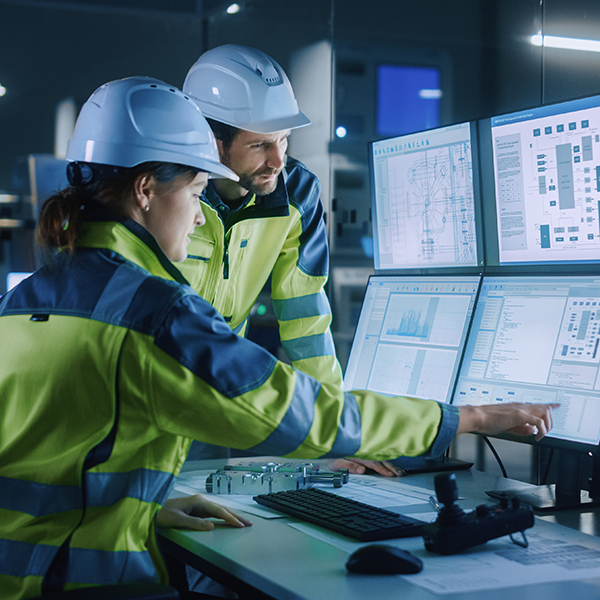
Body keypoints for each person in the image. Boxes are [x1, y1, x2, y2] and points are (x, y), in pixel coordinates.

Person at [0, 75, 558, 599]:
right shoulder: (153, 313)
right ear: (146, 190)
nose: (198, 218)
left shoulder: (22, 301)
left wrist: (140, 507)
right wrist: (467, 419)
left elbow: (49, 458)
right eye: (196, 193)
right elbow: (300, 414)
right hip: (82, 581)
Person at [180, 44, 399, 476]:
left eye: (284, 140)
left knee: (196, 520)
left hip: (210, 403)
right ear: (210, 140)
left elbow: (305, 322)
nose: (278, 160)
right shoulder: (168, 193)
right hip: (139, 395)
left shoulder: (297, 193)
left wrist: (334, 434)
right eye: (260, 144)